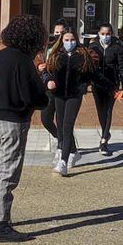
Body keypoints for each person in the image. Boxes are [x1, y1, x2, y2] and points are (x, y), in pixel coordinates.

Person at [0, 14, 49, 243]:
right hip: (13, 121)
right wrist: (42, 81)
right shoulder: (22, 61)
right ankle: (0, 225)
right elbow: (34, 95)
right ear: (33, 37)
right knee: (9, 173)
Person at [42, 30, 99, 177]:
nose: (69, 42)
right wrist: (48, 81)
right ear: (61, 41)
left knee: (67, 126)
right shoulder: (55, 55)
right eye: (66, 40)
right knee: (60, 125)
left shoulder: (83, 55)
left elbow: (91, 74)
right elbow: (47, 72)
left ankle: (63, 162)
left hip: (74, 95)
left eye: (72, 39)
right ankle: (69, 150)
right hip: (59, 95)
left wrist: (83, 86)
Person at [86, 23, 123, 155]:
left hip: (112, 84)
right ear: (98, 34)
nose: (105, 36)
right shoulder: (93, 47)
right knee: (100, 111)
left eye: (108, 34)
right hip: (97, 84)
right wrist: (86, 83)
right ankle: (106, 133)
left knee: (108, 110)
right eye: (103, 34)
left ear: (112, 34)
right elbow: (88, 67)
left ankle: (103, 141)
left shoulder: (117, 47)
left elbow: (121, 67)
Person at [39, 19, 67, 158]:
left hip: (63, 90)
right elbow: (41, 62)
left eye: (62, 33)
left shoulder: (68, 49)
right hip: (49, 88)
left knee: (62, 120)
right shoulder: (48, 47)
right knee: (46, 119)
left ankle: (64, 146)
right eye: (56, 32)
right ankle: (58, 138)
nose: (59, 35)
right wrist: (41, 69)